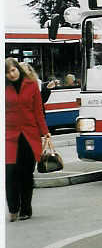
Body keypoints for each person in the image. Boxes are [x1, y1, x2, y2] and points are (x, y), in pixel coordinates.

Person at [5, 58, 52, 221]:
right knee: (10, 173)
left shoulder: (32, 86)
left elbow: (38, 112)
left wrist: (45, 132)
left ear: (18, 69)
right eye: (7, 72)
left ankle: (26, 208)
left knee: (26, 174)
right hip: (9, 136)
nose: (11, 74)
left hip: (29, 136)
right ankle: (13, 207)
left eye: (13, 70)